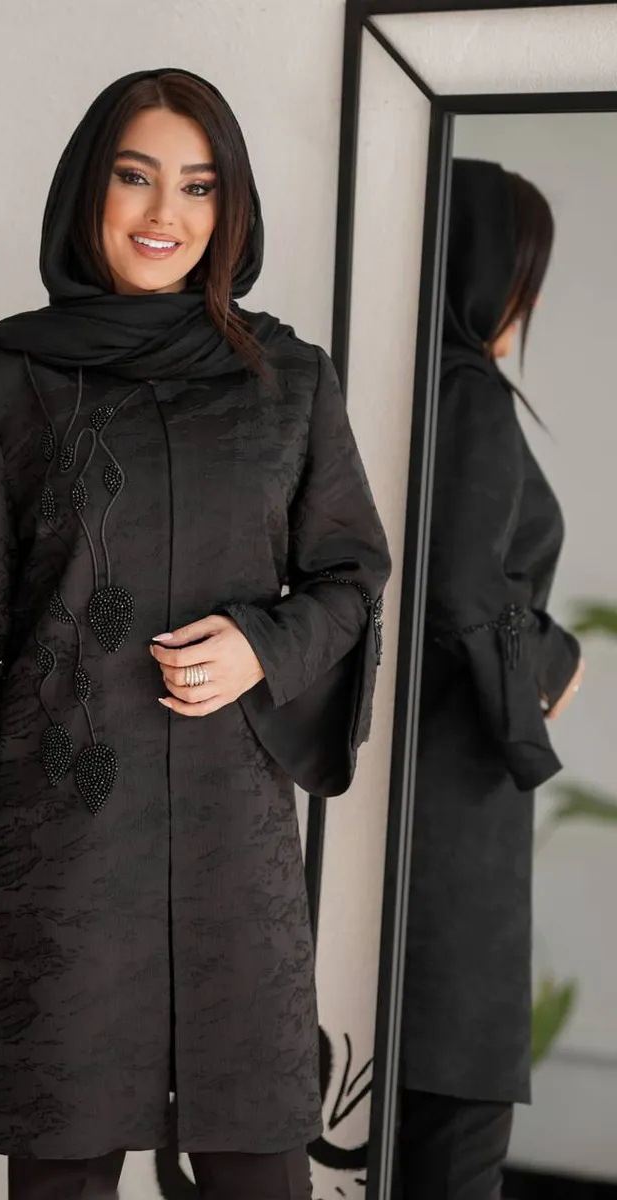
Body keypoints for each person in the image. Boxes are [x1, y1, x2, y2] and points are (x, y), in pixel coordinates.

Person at [0, 67, 390, 1200]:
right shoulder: (11, 376)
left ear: (231, 208)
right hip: (61, 841)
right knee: (62, 1164)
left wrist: (262, 645)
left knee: (260, 1166)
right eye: (137, 178)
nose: (166, 214)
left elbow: (352, 577)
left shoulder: (289, 381)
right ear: (89, 193)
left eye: (199, 187)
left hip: (230, 842)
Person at [398, 159, 583, 1199]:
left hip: (421, 782)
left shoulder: (399, 381)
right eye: (525, 274)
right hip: (457, 798)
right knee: (456, 1136)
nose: (529, 303)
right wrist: (550, 668)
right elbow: (462, 591)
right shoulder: (465, 391)